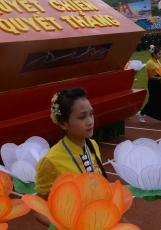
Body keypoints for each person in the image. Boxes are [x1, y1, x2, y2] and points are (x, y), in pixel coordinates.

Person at [34, 88, 107, 227]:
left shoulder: (92, 145)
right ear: (63, 123)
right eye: (82, 117)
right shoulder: (51, 161)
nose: (90, 121)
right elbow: (39, 210)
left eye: (91, 114)